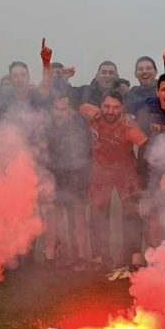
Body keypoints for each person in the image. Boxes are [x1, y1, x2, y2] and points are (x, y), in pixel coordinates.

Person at [78, 90, 149, 271]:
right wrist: (90, 109)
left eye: (116, 107)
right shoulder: (94, 116)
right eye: (106, 106)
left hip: (126, 173)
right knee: (97, 214)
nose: (111, 111)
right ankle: (100, 257)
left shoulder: (128, 125)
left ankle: (134, 256)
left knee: (132, 214)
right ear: (100, 106)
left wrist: (143, 173)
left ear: (122, 109)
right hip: (100, 173)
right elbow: (81, 107)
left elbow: (145, 144)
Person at [45, 93, 92, 270]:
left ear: (70, 111)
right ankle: (63, 255)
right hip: (54, 177)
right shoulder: (46, 128)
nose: (61, 113)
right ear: (51, 110)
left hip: (75, 177)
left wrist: (84, 180)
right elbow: (42, 155)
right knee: (57, 218)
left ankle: (81, 256)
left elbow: (87, 155)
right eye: (57, 109)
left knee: (78, 217)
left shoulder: (78, 128)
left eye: (64, 109)